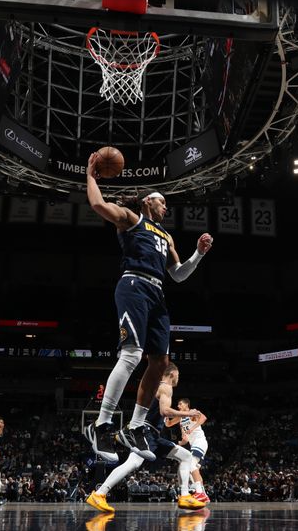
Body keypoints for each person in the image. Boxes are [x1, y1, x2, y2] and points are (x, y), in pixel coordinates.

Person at [82, 151, 213, 463]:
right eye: (162, 200)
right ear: (146, 202)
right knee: (130, 354)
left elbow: (178, 275)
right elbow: (99, 205)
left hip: (157, 294)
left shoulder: (166, 235)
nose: (166, 206)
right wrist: (90, 175)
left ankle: (137, 425)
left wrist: (199, 253)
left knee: (160, 362)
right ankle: (101, 425)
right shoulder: (132, 219)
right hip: (133, 286)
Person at [85, 363, 207, 513]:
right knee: (133, 464)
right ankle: (99, 493)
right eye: (178, 375)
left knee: (186, 456)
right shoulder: (165, 387)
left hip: (153, 434)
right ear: (172, 374)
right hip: (146, 432)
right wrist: (188, 413)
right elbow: (164, 411)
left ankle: (184, 495)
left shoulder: (155, 386)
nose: (178, 378)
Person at [165, 398, 210, 503]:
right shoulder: (181, 419)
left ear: (187, 405)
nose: (178, 406)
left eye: (180, 404)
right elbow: (169, 425)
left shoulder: (192, 412)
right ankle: (203, 495)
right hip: (194, 444)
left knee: (191, 464)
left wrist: (192, 428)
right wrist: (179, 443)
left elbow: (203, 418)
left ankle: (200, 493)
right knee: (193, 471)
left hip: (200, 441)